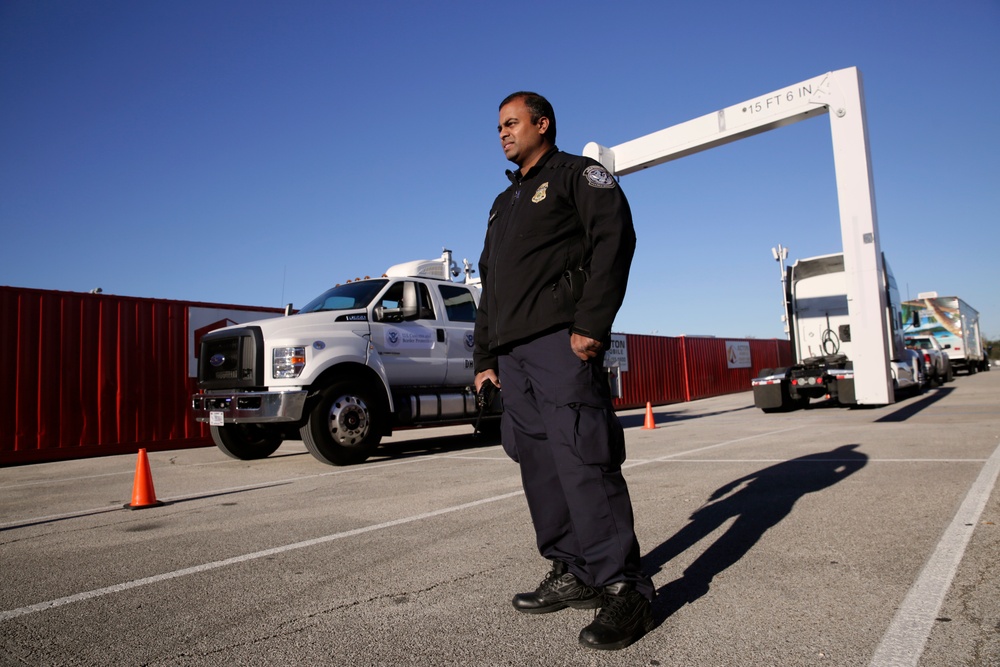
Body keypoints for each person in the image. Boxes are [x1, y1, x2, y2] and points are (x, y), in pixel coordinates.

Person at [473, 91, 655, 651]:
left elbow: (614, 240)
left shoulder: (579, 174)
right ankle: (573, 570)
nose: (503, 133)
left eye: (512, 123)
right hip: (513, 357)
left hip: (560, 345)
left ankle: (626, 586)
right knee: (541, 468)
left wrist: (592, 324)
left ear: (542, 123)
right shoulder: (504, 204)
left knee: (583, 460)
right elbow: (490, 286)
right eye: (498, 126)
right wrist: (484, 361)